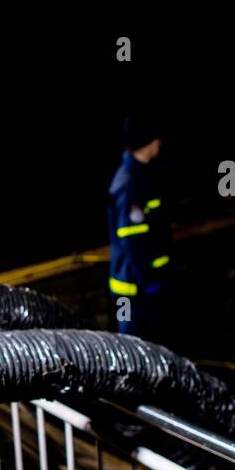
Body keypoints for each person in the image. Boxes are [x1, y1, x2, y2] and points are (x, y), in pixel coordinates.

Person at [107, 117, 171, 340]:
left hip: (143, 285)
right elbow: (132, 239)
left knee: (150, 343)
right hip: (129, 292)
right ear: (151, 142)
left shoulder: (143, 176)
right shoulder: (129, 182)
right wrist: (148, 279)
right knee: (129, 347)